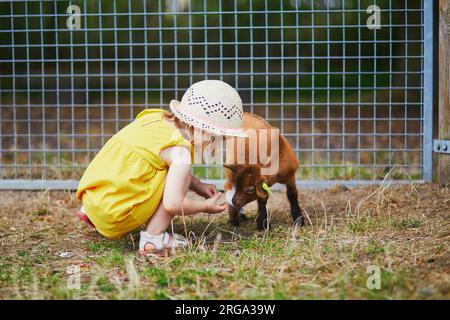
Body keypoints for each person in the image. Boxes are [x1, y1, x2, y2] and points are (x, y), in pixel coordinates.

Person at [75, 80, 246, 255]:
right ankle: (153, 238)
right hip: (115, 215)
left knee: (168, 171)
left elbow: (140, 160)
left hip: (94, 195)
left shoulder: (156, 118)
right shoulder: (182, 155)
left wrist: (197, 185)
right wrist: (203, 206)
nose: (217, 147)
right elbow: (173, 205)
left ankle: (92, 212)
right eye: (216, 139)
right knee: (181, 177)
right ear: (198, 128)